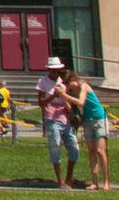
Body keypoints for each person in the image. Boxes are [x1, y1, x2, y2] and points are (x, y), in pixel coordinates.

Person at [41, 58, 82, 189]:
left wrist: (63, 97)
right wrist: (53, 96)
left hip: (65, 118)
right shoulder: (43, 81)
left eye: (57, 71)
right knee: (55, 147)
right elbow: (40, 102)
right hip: (52, 118)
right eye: (53, 71)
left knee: (74, 148)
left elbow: (70, 103)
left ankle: (69, 177)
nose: (55, 74)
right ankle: (60, 181)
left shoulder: (63, 82)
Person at [71, 69, 110, 191]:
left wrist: (64, 95)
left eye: (69, 82)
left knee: (100, 150)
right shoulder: (70, 91)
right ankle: (95, 182)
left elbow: (81, 102)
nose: (69, 86)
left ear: (74, 80)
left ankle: (106, 182)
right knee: (91, 151)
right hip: (87, 120)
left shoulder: (83, 85)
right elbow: (72, 107)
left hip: (98, 118)